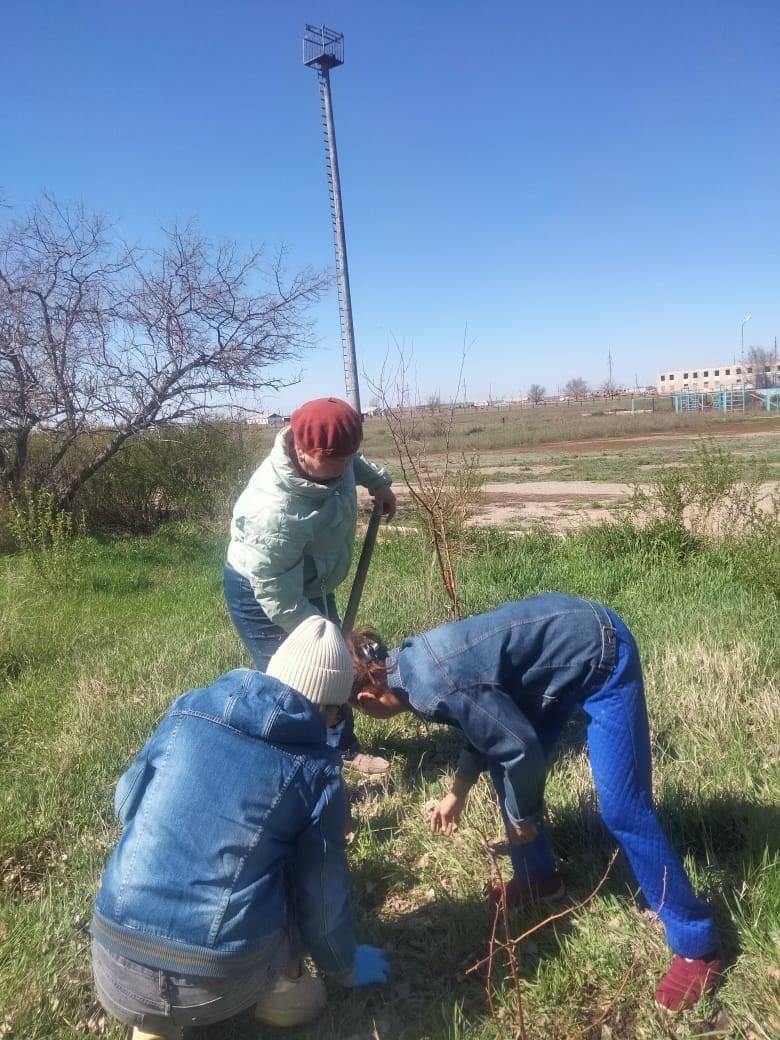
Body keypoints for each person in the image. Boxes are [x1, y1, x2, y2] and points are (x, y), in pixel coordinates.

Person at [347, 593, 723, 1013]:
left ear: (364, 701)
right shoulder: (410, 667)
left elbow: (518, 747)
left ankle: (698, 945)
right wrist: (458, 791)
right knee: (504, 770)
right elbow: (481, 722)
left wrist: (522, 816)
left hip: (600, 654)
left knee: (623, 808)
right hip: (556, 659)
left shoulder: (430, 685)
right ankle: (540, 879)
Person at [91, 617, 390, 1040]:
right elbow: (320, 892)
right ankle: (282, 991)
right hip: (217, 981)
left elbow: (127, 803)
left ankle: (154, 1025)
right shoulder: (317, 771)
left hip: (113, 958)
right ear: (327, 709)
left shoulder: (187, 711)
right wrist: (343, 965)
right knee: (293, 875)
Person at [224, 397, 395, 777]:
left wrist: (378, 483)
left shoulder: (339, 458)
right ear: (301, 450)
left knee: (333, 670)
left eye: (343, 464)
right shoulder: (274, 511)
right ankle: (297, 762)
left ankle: (341, 748)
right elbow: (275, 592)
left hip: (309, 578)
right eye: (329, 467)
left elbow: (354, 461)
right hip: (263, 592)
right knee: (298, 680)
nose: (339, 476)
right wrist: (325, 642)